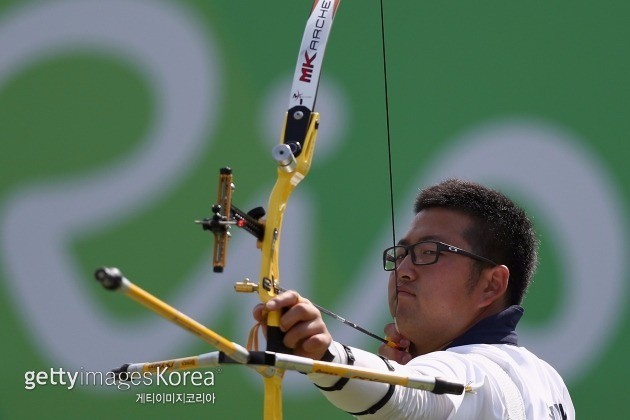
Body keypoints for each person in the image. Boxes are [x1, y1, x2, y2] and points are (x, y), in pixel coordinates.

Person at [253, 178, 575, 419]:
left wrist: (325, 356)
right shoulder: (550, 383)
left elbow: (411, 398)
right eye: (403, 253)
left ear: (492, 286)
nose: (404, 270)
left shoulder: (472, 372)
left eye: (429, 252)